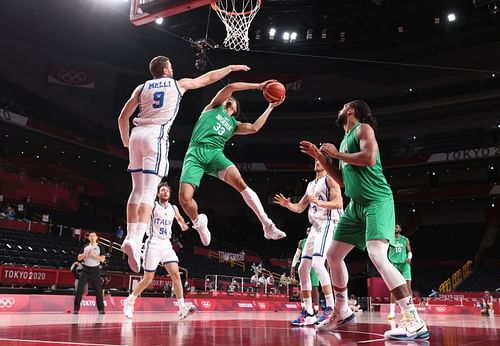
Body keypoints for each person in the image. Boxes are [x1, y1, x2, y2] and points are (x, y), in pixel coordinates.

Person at [300, 100, 429, 340]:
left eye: (343, 106)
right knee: (333, 256)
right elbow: (343, 181)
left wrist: (336, 154)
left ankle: (413, 319)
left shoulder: (363, 128)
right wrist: (321, 157)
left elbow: (369, 158)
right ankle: (342, 311)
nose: (339, 109)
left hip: (376, 200)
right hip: (356, 205)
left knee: (377, 254)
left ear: (351, 110)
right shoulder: (343, 141)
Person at [118, 55, 250, 273]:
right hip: (155, 136)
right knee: (150, 191)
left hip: (136, 135)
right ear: (167, 69)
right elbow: (206, 79)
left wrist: (126, 141)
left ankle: (132, 237)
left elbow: (123, 117)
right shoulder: (177, 85)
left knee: (137, 190)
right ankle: (136, 238)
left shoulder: (141, 88)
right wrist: (230, 67)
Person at [178, 81, 286, 246]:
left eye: (234, 100)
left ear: (236, 109)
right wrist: (258, 86)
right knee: (184, 199)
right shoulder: (214, 107)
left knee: (241, 183)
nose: (231, 98)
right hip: (195, 153)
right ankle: (198, 222)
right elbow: (230, 87)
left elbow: (254, 128)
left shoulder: (234, 125)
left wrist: (270, 107)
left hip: (215, 154)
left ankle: (267, 225)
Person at [274, 159, 343, 326]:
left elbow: (339, 203)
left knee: (318, 263)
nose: (316, 162)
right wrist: (287, 204)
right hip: (315, 226)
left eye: (320, 160)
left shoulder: (330, 179)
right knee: (302, 268)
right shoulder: (311, 184)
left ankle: (329, 308)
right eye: (315, 160)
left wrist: (320, 203)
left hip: (328, 223)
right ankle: (308, 312)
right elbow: (299, 208)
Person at [123, 182, 195, 319]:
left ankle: (182, 308)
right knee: (148, 278)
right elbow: (141, 213)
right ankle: (130, 301)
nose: (165, 192)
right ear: (157, 194)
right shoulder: (153, 205)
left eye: (167, 191)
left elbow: (180, 221)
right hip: (153, 242)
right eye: (162, 190)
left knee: (176, 274)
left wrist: (184, 225)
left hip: (167, 244)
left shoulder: (173, 208)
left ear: (169, 194)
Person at [289, 229, 320, 325]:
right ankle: (304, 309)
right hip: (304, 265)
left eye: (310, 230)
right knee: (303, 288)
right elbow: (297, 255)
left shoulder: (318, 240)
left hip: (314, 266)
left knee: (314, 288)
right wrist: (293, 267)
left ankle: (316, 310)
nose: (308, 231)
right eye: (307, 230)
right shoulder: (302, 242)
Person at [73, 232, 106, 314]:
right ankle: (76, 309)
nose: (92, 237)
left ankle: (101, 309)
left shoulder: (100, 247)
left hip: (95, 270)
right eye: (91, 236)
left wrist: (93, 255)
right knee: (79, 290)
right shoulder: (85, 246)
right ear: (89, 238)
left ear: (97, 237)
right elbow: (79, 258)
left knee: (98, 290)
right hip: (85, 269)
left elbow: (102, 259)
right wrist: (85, 254)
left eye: (94, 235)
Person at [387, 222, 413, 320]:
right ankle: (392, 312)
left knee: (408, 287)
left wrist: (409, 257)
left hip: (404, 265)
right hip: (394, 264)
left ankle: (409, 309)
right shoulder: (389, 240)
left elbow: (409, 251)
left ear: (400, 229)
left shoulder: (405, 239)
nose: (394, 228)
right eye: (393, 226)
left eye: (396, 226)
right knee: (394, 288)